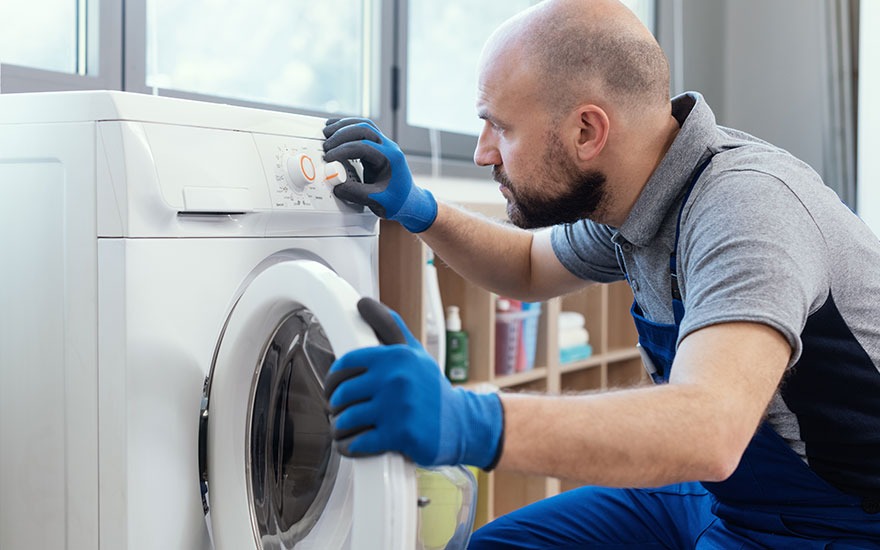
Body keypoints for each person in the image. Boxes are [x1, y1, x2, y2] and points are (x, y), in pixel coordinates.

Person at [321, 0, 880, 547]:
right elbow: (527, 265)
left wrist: (468, 420)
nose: (483, 154)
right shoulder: (638, 194)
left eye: (500, 127)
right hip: (719, 491)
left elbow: (710, 427)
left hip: (836, 521)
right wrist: (418, 208)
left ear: (588, 132)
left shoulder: (747, 209)